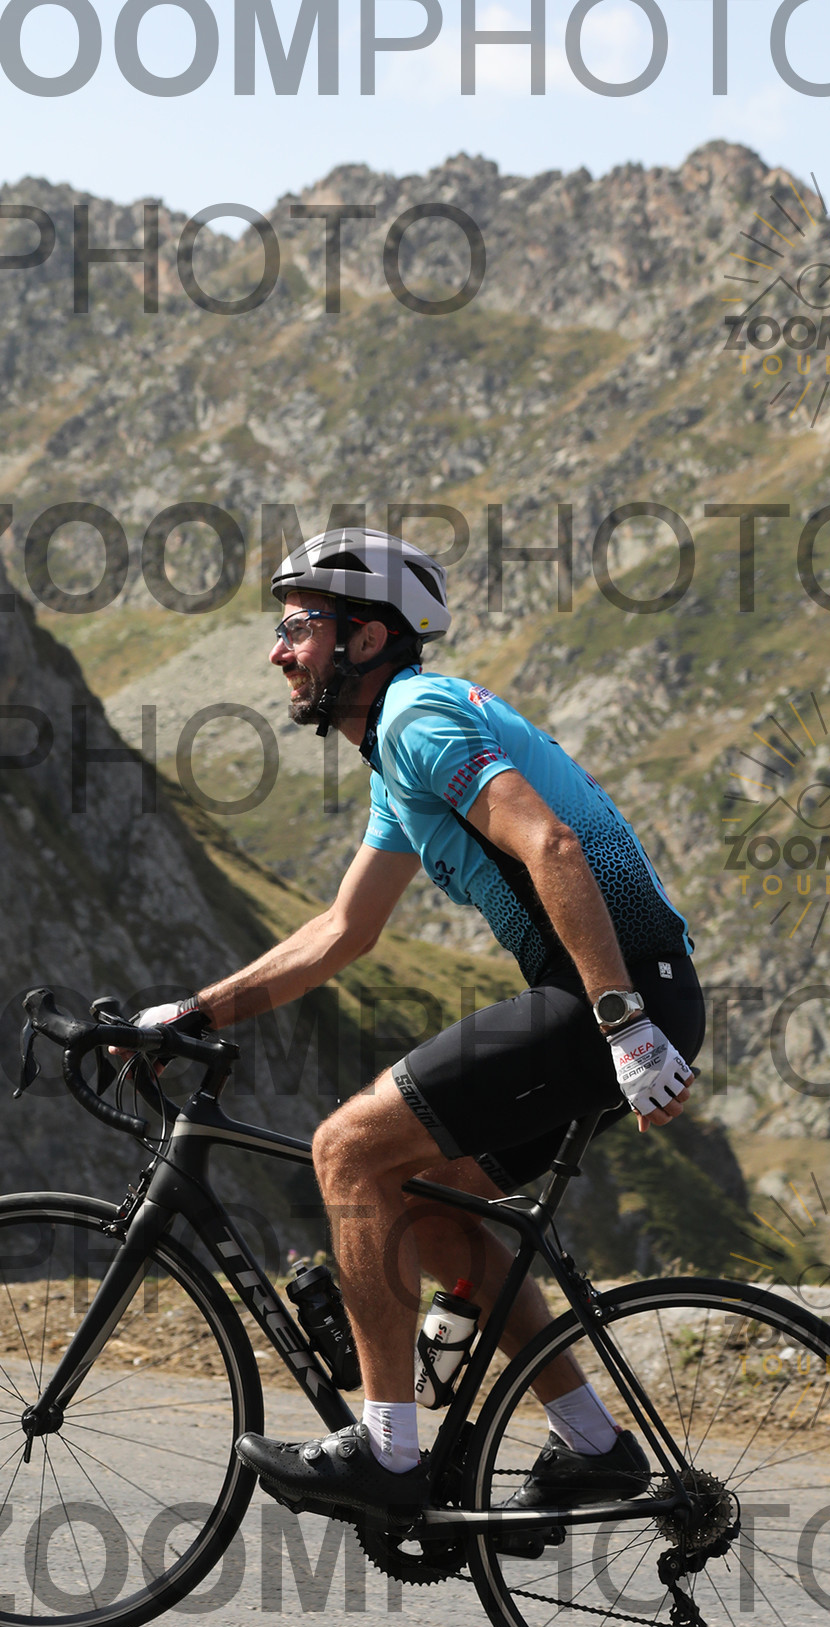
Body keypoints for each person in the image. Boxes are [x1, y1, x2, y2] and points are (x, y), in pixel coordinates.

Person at [129, 528, 702, 1528]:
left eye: (299, 627)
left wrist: (623, 1025)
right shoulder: (399, 751)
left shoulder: (416, 718)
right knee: (427, 1205)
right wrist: (192, 1012)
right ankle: (595, 1450)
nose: (278, 652)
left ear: (365, 637)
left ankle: (388, 1453)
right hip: (616, 993)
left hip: (609, 997)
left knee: (346, 1149)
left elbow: (553, 845)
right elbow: (342, 932)